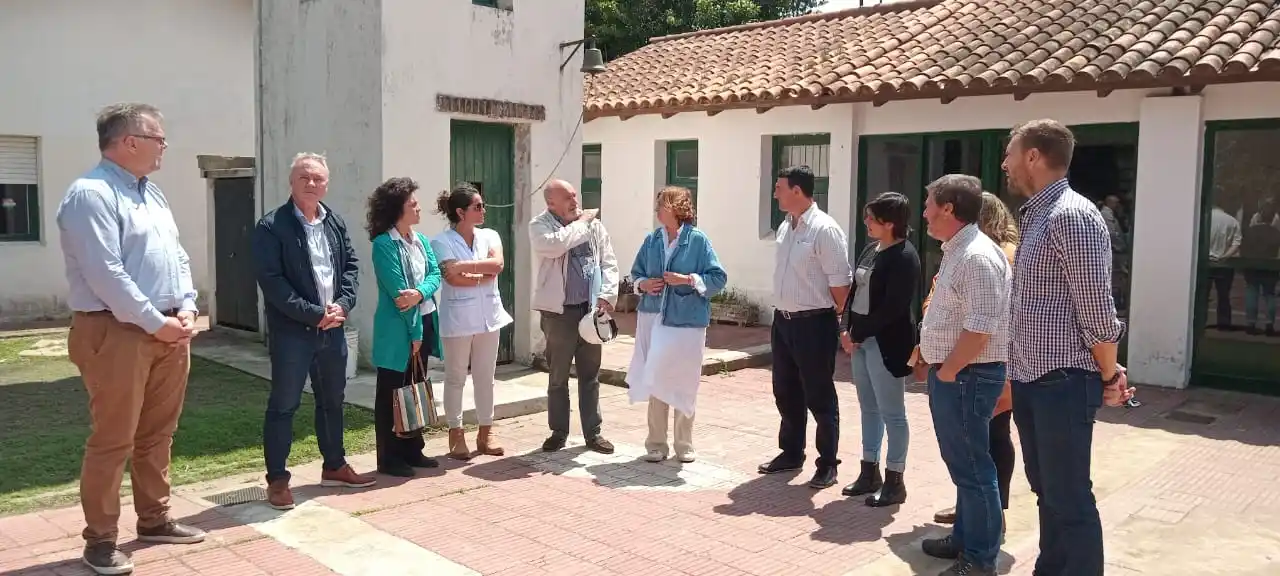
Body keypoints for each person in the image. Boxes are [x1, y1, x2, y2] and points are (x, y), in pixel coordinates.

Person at [57, 102, 205, 574]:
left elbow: (177, 256)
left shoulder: (153, 194)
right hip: (116, 331)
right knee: (113, 440)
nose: (165, 145)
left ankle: (155, 518)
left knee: (158, 434)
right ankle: (100, 540)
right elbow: (107, 275)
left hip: (167, 328)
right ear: (129, 141)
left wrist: (185, 305)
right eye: (158, 137)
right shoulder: (90, 195)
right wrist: (153, 321)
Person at [1002, 119, 1134, 576]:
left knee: (1070, 495)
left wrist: (1108, 374)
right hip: (1031, 379)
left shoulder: (1072, 216)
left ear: (1034, 157)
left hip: (1062, 381)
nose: (1005, 163)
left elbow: (1096, 307)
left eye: (1010, 153)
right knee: (1046, 490)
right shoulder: (1035, 214)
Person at [254, 152, 375, 510]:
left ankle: (334, 465)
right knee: (284, 404)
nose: (311, 184)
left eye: (318, 178)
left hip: (332, 328)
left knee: (332, 401)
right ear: (291, 182)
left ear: (327, 183)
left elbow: (351, 266)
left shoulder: (333, 222)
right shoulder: (272, 226)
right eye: (304, 177)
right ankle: (277, 480)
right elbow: (271, 281)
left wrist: (344, 304)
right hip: (293, 331)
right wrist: (311, 314)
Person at [914, 175, 1012, 576]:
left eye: (929, 205)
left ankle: (980, 558)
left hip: (968, 375)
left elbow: (981, 326)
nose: (924, 213)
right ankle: (965, 539)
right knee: (963, 465)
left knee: (974, 468)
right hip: (957, 375)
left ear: (949, 209)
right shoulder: (959, 250)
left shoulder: (977, 256)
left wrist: (950, 369)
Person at [760, 165, 853, 489]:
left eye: (779, 188)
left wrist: (845, 328)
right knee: (785, 390)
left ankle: (827, 462)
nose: (775, 194)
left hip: (814, 324)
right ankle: (791, 452)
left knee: (819, 394)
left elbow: (841, 285)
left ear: (797, 191)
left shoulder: (825, 230)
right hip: (783, 322)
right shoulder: (786, 227)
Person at [626, 186, 728, 463]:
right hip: (652, 317)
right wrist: (643, 284)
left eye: (661, 204)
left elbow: (718, 278)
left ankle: (685, 444)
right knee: (656, 376)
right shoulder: (651, 241)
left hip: (686, 322)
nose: (657, 210)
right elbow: (634, 275)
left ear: (675, 207)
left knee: (684, 378)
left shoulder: (698, 240)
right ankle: (656, 444)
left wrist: (687, 279)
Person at [839, 192, 920, 507]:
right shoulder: (871, 249)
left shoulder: (904, 256)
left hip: (886, 344)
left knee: (893, 413)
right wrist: (845, 328)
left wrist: (858, 333)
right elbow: (854, 291)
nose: (866, 223)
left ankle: (895, 479)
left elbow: (893, 309)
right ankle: (868, 470)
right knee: (868, 408)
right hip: (860, 340)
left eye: (871, 218)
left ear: (890, 223)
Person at [529, 179, 620, 453]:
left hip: (590, 310)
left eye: (575, 196)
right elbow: (557, 246)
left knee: (590, 375)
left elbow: (608, 260)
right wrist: (582, 221)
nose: (574, 201)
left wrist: (607, 293)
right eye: (567, 197)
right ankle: (559, 432)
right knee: (558, 377)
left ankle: (593, 433)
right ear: (551, 203)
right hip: (559, 314)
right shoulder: (540, 226)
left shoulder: (594, 225)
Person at [367, 176, 445, 477]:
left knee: (415, 386)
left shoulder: (421, 240)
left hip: (423, 319)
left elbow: (435, 274)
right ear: (397, 208)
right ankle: (389, 457)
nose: (418, 207)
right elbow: (400, 295)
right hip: (398, 329)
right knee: (391, 391)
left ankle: (413, 449)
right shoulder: (384, 244)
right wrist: (414, 333)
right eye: (412, 203)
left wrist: (421, 292)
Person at [430, 183, 512, 460]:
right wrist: (480, 270)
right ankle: (455, 433)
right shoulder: (440, 242)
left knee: (485, 377)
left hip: (489, 315)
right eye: (477, 206)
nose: (483, 210)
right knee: (455, 377)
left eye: (482, 205)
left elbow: (497, 266)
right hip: (459, 318)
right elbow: (451, 278)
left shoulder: (490, 236)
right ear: (460, 212)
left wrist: (465, 267)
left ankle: (486, 431)